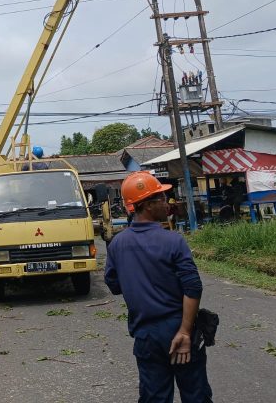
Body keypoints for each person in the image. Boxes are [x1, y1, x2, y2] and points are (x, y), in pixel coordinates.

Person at [104, 171, 213, 403]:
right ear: (146, 206)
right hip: (180, 328)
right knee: (196, 395)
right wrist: (184, 331)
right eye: (160, 199)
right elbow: (193, 287)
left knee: (154, 397)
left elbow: (114, 285)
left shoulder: (117, 245)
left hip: (146, 336)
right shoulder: (173, 241)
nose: (166, 203)